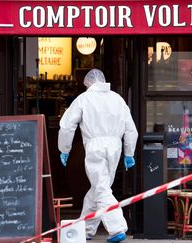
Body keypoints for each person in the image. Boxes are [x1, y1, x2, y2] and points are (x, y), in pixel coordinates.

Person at [58, 69, 138, 242]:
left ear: (88, 83)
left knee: (101, 188)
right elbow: (131, 129)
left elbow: (67, 126)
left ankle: (117, 228)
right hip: (115, 147)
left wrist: (64, 148)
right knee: (98, 188)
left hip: (95, 147)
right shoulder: (118, 99)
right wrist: (129, 152)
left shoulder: (84, 99)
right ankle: (86, 228)